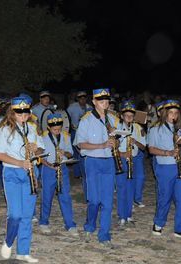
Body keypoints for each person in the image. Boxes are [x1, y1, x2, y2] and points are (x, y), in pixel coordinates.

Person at [0, 96, 44, 263]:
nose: (23, 115)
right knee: (15, 214)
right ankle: (9, 242)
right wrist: (19, 162)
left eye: (26, 112)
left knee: (27, 215)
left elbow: (42, 151)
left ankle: (23, 252)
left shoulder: (32, 128)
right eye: (19, 112)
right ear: (13, 112)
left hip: (30, 173)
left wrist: (36, 149)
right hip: (12, 173)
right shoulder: (5, 130)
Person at [73, 88, 117, 248]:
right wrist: (102, 144)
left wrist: (115, 139)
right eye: (101, 100)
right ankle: (90, 225)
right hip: (92, 161)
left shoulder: (112, 119)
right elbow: (80, 143)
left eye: (107, 100)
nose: (105, 103)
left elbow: (116, 139)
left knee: (107, 201)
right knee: (94, 200)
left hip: (109, 162)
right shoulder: (86, 119)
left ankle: (104, 234)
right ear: (94, 101)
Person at [148, 99, 181, 240]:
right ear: (165, 114)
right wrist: (168, 152)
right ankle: (158, 223)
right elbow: (151, 149)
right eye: (171, 113)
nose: (174, 116)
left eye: (176, 113)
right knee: (165, 197)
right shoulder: (156, 129)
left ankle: (180, 228)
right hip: (166, 166)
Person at [38, 113, 77, 236]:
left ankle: (70, 224)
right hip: (48, 169)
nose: (57, 131)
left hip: (62, 168)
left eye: (59, 129)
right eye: (54, 129)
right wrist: (48, 165)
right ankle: (43, 222)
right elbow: (39, 155)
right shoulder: (43, 137)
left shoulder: (65, 136)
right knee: (47, 196)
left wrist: (64, 153)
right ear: (49, 128)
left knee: (65, 196)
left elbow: (71, 154)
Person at [116, 101, 146, 227]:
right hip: (122, 159)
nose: (129, 118)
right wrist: (122, 155)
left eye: (131, 116)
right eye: (126, 115)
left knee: (130, 188)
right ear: (122, 116)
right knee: (122, 188)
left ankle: (128, 215)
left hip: (133, 159)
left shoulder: (138, 128)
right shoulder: (116, 127)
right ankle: (122, 215)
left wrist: (135, 142)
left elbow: (144, 146)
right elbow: (111, 146)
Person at [67, 90, 92, 179]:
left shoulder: (89, 108)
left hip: (86, 133)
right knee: (76, 152)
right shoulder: (72, 107)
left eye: (84, 97)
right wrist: (68, 128)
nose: (82, 99)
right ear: (77, 99)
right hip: (75, 131)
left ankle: (84, 172)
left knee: (84, 152)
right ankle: (77, 173)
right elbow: (66, 117)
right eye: (80, 98)